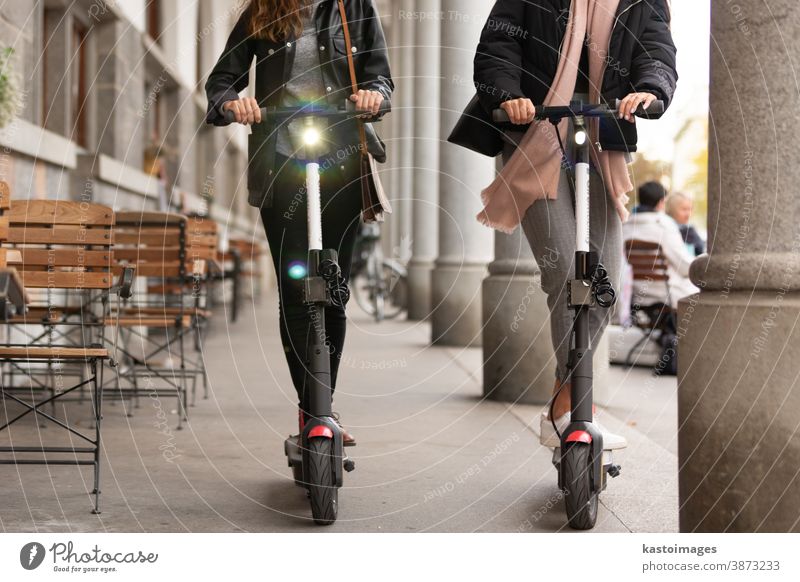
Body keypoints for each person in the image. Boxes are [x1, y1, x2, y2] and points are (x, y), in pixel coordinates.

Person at [466, 0, 678, 448]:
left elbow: (655, 51)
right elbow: (498, 45)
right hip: (535, 132)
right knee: (565, 267)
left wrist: (650, 89)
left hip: (603, 136)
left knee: (605, 282)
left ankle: (566, 400)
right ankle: (573, 406)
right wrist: (508, 95)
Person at [205, 0, 393, 445]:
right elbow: (221, 81)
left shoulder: (354, 6)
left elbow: (380, 75)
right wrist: (234, 102)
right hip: (282, 162)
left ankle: (321, 404)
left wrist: (374, 96)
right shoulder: (264, 8)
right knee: (295, 291)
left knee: (333, 288)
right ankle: (313, 410)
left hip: (343, 161)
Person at [623, 182, 699, 309]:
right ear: (661, 202)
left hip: (635, 293)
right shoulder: (664, 226)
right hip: (666, 294)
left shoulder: (626, 226)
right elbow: (685, 266)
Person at [665, 191, 706, 256]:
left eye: (690, 209)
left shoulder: (690, 230)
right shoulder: (667, 229)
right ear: (672, 210)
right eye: (684, 209)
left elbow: (701, 249)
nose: (688, 214)